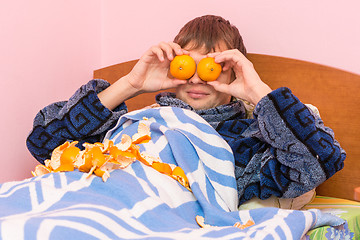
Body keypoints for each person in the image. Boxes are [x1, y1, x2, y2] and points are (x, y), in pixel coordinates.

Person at [26, 15, 346, 206]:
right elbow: (43, 144)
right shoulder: (135, 124)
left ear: (235, 71)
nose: (195, 77)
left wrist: (257, 91)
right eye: (186, 65)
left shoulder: (249, 139)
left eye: (212, 67)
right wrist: (130, 83)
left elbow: (321, 161)